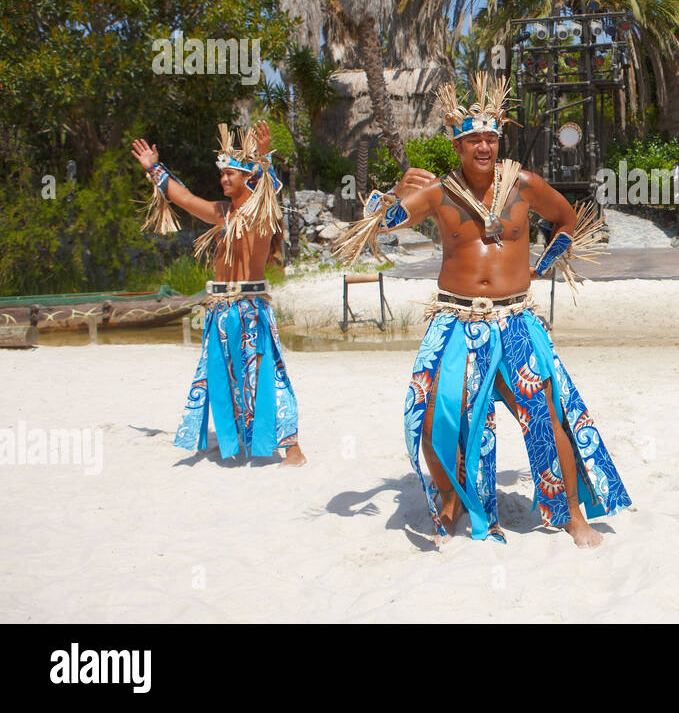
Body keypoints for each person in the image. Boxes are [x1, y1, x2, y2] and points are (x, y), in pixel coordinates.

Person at [336, 73, 630, 548]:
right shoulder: (438, 193)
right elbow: (380, 226)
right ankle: (452, 502)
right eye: (473, 138)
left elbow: (567, 219)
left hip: (515, 320)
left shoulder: (525, 185)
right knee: (431, 419)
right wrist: (391, 190)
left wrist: (545, 262)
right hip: (456, 322)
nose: (484, 146)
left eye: (491, 137)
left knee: (547, 417)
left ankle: (571, 514)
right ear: (457, 144)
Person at [131, 122, 305, 466]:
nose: (224, 179)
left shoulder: (261, 213)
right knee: (222, 375)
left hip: (250, 306)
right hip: (220, 310)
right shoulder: (220, 214)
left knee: (266, 374)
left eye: (231, 174)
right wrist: (154, 167)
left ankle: (293, 448)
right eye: (222, 174)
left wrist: (264, 156)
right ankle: (236, 438)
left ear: (246, 178)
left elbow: (266, 189)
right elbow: (182, 197)